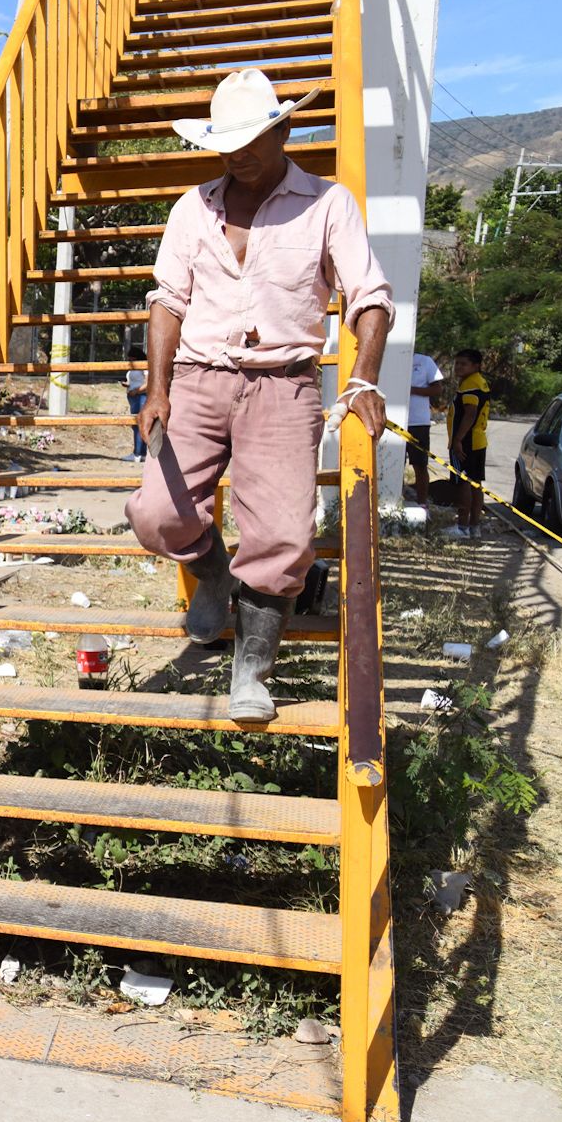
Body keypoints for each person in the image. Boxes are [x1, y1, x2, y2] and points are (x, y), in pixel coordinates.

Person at [126, 69, 393, 722]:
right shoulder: (194, 208)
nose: (237, 153)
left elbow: (371, 300)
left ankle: (251, 667)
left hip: (283, 386)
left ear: (284, 130)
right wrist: (157, 387)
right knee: (156, 515)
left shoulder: (329, 205)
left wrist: (363, 380)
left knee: (280, 537)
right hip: (197, 381)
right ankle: (216, 576)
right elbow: (167, 301)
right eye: (227, 143)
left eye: (250, 139)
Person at [446, 348, 490, 538]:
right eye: (457, 363)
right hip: (477, 440)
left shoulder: (471, 384)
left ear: (476, 366)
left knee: (463, 483)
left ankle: (463, 527)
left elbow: (470, 413)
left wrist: (457, 440)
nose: (459, 367)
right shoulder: (478, 382)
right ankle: (474, 527)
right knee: (475, 483)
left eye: (464, 364)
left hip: (467, 442)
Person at [407, 348, 443, 505]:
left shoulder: (425, 361)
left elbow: (437, 389)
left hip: (418, 422)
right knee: (390, 463)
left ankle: (422, 503)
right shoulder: (388, 358)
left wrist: (412, 390)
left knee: (420, 464)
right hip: (392, 421)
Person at [124, 346, 149, 460]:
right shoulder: (133, 367)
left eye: (132, 359)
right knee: (136, 425)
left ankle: (138, 453)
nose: (130, 361)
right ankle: (141, 453)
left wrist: (136, 390)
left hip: (141, 396)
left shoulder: (144, 366)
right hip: (134, 397)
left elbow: (148, 383)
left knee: (139, 425)